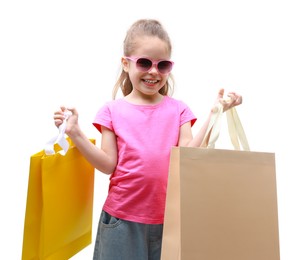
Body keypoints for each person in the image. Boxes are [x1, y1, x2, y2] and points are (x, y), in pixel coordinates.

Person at [54, 19, 242, 260]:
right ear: (125, 63)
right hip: (121, 221)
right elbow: (107, 165)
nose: (153, 71)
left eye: (162, 65)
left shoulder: (179, 110)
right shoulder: (112, 111)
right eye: (144, 62)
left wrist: (216, 112)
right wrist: (76, 133)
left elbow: (188, 156)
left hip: (170, 221)